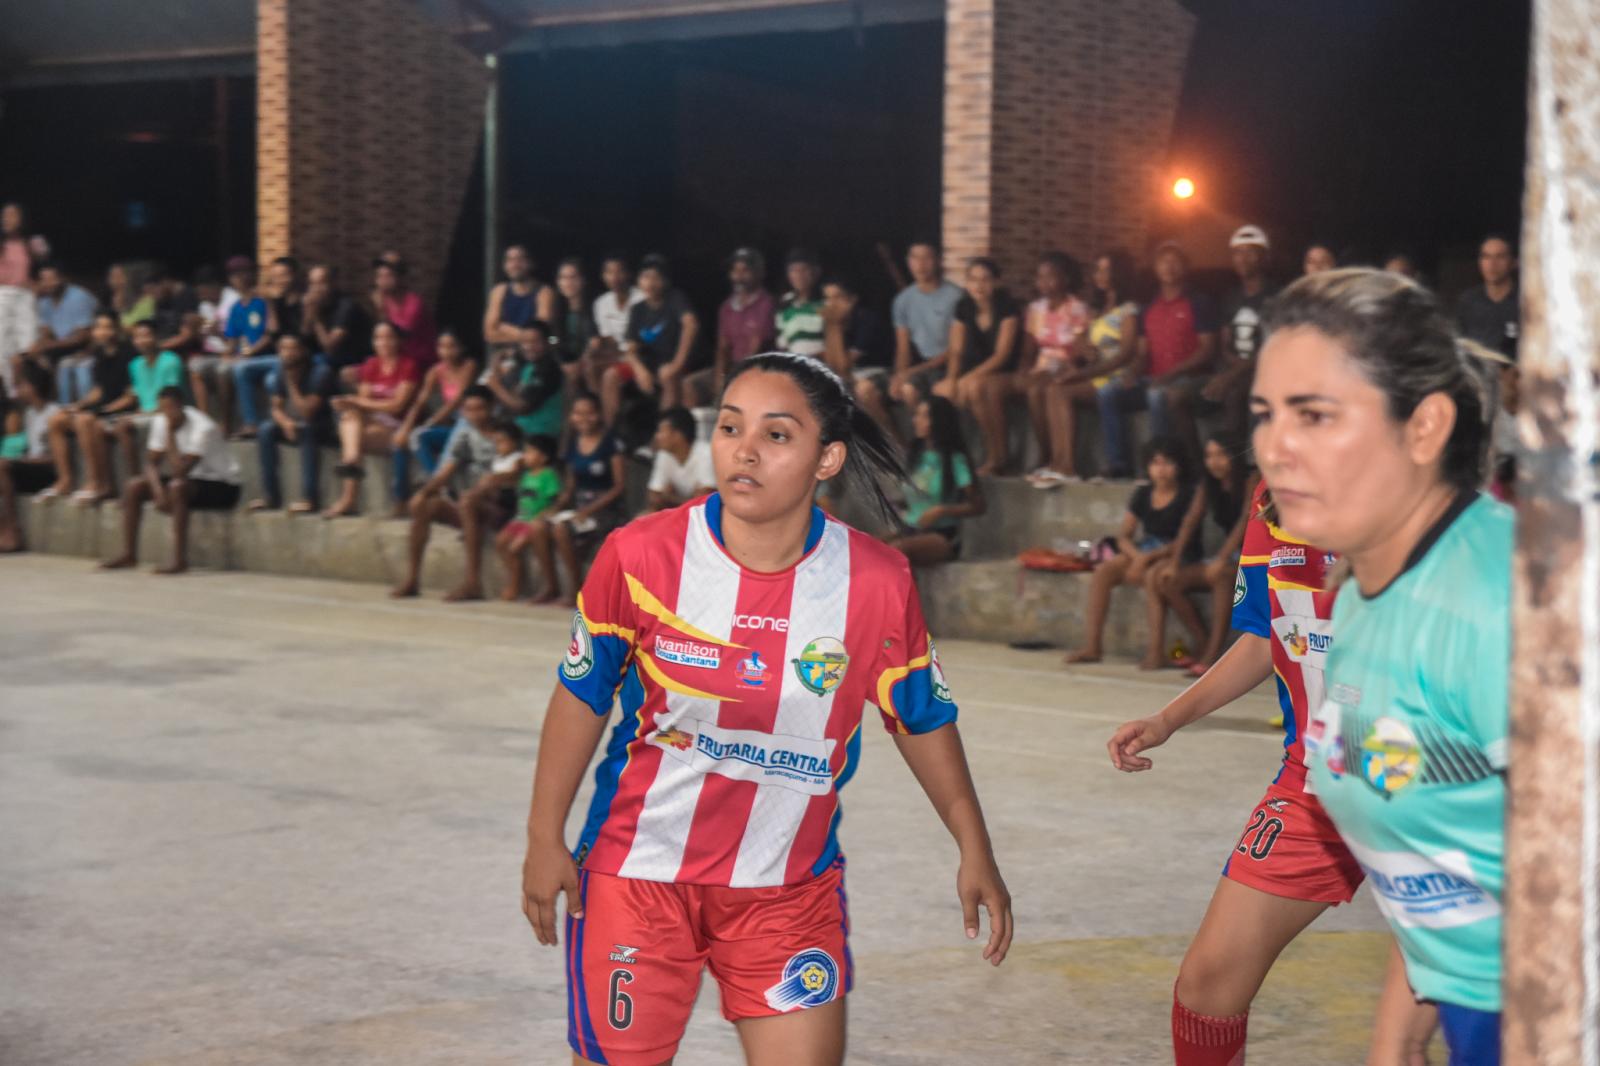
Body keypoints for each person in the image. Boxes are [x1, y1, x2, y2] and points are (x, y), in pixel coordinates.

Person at [519, 352, 1012, 1066]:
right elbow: (580, 697)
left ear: (827, 458)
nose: (742, 450)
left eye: (776, 435)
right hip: (637, 879)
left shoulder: (876, 581)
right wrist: (544, 837)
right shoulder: (641, 556)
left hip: (787, 891)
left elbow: (920, 718)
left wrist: (975, 846)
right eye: (727, 427)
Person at [1254, 267, 1509, 1065]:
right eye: (1265, 414)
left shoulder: (1506, 603)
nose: (1273, 446)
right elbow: (1456, 854)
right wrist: (1395, 1043)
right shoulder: (1363, 596)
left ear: (1426, 427)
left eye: (1315, 415)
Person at [1105, 471, 1433, 1066]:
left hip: (1436, 786)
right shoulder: (1268, 495)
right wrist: (1169, 718)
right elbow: (1267, 634)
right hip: (1317, 778)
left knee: (1426, 1027)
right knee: (1207, 985)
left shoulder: (1432, 477)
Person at [1063, 437, 1198, 664]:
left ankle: (1155, 651)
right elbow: (1124, 535)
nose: (1161, 470)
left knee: (1152, 577)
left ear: (1179, 466)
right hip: (1145, 549)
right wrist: (1137, 557)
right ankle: (1093, 646)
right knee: (1104, 572)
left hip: (1176, 553)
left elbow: (1183, 540)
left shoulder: (1188, 495)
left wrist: (1146, 559)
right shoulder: (1143, 493)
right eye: (1155, 463)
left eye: (1167, 463)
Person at [1095, 244, 1219, 478]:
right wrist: (1132, 372)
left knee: (1156, 394)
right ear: (1155, 268)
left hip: (1189, 380)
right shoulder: (1148, 308)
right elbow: (1143, 353)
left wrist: (1171, 374)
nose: (1169, 267)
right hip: (1154, 378)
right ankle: (1119, 465)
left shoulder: (1199, 302)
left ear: (1185, 268)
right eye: (1163, 262)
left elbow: (1207, 349)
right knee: (1108, 393)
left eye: (1175, 262)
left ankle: (1161, 463)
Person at [99, 386, 242, 575]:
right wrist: (158, 493)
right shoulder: (161, 420)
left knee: (177, 487)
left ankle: (179, 560)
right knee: (134, 486)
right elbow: (151, 464)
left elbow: (180, 470)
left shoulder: (203, 428)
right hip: (191, 480)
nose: (167, 414)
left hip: (223, 485)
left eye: (171, 409)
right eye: (163, 409)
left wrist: (170, 434)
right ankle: (129, 554)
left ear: (181, 407)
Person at [1142, 432, 1251, 673]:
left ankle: (1213, 655)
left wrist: (1222, 557)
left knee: (1221, 574)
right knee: (1168, 581)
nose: (1215, 462)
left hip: (1256, 556)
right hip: (1231, 556)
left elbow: (1247, 520)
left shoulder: (1251, 479)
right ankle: (1201, 639)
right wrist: (1174, 560)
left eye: (1222, 455)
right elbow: (1190, 521)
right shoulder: (1208, 484)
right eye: (1210, 456)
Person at [389, 386, 500, 599]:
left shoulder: (505, 433)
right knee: (425, 505)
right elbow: (446, 472)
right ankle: (412, 579)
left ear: (492, 408)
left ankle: (473, 583)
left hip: (497, 507)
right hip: (469, 504)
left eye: (480, 409)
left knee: (468, 501)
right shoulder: (466, 434)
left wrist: (481, 490)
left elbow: (509, 474)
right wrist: (424, 492)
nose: (475, 415)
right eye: (469, 409)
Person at [323, 322, 420, 519]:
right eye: (378, 338)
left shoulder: (408, 366)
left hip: (398, 427)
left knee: (351, 423)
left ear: (397, 340)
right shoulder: (371, 365)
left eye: (388, 337)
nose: (383, 342)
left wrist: (356, 401)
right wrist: (353, 403)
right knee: (351, 416)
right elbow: (363, 401)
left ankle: (349, 496)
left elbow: (398, 406)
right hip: (372, 424)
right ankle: (351, 463)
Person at [538, 392, 625, 606]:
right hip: (579, 508)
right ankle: (551, 586)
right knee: (537, 526)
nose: (584, 418)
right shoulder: (573, 443)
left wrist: (589, 510)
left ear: (598, 415)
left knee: (561, 529)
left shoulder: (611, 443)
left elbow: (619, 486)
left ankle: (577, 589)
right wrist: (556, 507)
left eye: (590, 413)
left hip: (604, 510)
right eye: (578, 413)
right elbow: (571, 485)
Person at [937, 258, 1021, 476]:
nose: (979, 286)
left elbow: (1002, 356)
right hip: (973, 373)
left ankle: (999, 456)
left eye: (985, 280)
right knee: (945, 390)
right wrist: (953, 379)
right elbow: (955, 351)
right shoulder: (963, 308)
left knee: (975, 387)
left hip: (1003, 372)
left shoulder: (1008, 309)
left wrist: (969, 378)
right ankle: (982, 456)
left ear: (997, 282)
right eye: (973, 280)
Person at [885, 394, 986, 566]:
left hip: (942, 535)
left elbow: (978, 506)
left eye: (924, 416)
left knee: (897, 551)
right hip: (911, 528)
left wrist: (941, 510)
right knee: (864, 545)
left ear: (938, 421)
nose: (916, 420)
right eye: (916, 415)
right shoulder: (915, 456)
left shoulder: (955, 459)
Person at [44, 311, 134, 502]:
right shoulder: (99, 354)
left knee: (84, 421)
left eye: (107, 327)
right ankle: (65, 480)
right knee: (57, 420)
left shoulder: (128, 353)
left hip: (121, 410)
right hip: (101, 407)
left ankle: (96, 482)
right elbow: (98, 391)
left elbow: (130, 396)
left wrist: (104, 410)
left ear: (116, 329)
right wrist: (77, 405)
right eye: (98, 327)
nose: (102, 332)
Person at [249, 332, 338, 513]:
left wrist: (292, 384)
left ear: (303, 351)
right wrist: (286, 423)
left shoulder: (320, 372)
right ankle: (270, 496)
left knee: (306, 429)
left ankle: (309, 498)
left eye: (292, 348)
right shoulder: (281, 371)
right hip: (293, 424)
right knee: (265, 429)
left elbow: (307, 412)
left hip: (322, 427)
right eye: (283, 349)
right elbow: (275, 408)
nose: (287, 353)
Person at [1205, 225, 1277, 439]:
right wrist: (1230, 370)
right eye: (1237, 252)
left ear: (1264, 257)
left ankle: (1242, 465)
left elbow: (1271, 347)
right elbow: (1225, 344)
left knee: (1236, 393)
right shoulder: (1230, 297)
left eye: (1250, 252)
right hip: (1233, 370)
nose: (1243, 258)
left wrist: (1232, 375)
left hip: (1263, 371)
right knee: (1176, 396)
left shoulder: (1276, 296)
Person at [106, 320, 187, 501]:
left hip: (165, 413)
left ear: (157, 338)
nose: (141, 341)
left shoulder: (171, 361)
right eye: (137, 337)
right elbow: (134, 395)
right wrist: (103, 410)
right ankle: (110, 486)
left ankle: (136, 480)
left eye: (146, 336)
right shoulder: (134, 365)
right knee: (101, 426)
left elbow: (170, 399)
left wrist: (142, 414)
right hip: (145, 414)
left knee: (122, 427)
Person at [608, 255, 698, 417]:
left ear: (665, 281)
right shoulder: (637, 309)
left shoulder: (675, 299)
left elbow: (691, 325)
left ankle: (664, 432)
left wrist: (676, 364)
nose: (651, 283)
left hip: (674, 362)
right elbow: (631, 349)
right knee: (611, 376)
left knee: (667, 375)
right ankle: (612, 433)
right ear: (639, 281)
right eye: (646, 277)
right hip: (648, 364)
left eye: (656, 277)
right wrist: (640, 370)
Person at [685, 247, 775, 408]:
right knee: (691, 384)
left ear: (759, 273)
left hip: (760, 366)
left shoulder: (766, 303)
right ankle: (696, 432)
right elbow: (722, 348)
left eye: (745, 270)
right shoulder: (726, 307)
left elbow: (757, 348)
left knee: (738, 387)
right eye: (735, 270)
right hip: (731, 366)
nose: (739, 276)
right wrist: (720, 379)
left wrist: (733, 377)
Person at [886, 240, 963, 414]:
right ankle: (901, 440)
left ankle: (927, 437)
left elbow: (955, 349)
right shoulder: (902, 300)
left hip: (946, 366)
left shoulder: (956, 297)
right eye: (915, 258)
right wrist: (899, 375)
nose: (920, 265)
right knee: (878, 390)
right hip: (919, 364)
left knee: (914, 392)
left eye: (927, 258)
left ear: (938, 260)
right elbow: (903, 347)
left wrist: (911, 372)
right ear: (908, 261)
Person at [397, 328, 480, 483]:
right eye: (441, 347)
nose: (446, 352)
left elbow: (457, 400)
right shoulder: (436, 371)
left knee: (459, 425)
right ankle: (438, 482)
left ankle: (437, 482)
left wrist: (432, 421)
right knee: (416, 437)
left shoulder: (470, 366)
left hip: (470, 424)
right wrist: (406, 427)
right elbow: (420, 401)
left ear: (462, 348)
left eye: (451, 347)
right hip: (453, 426)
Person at [233, 256, 303, 437]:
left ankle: (277, 423)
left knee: (271, 380)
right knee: (241, 370)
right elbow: (274, 333)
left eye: (283, 275)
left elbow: (300, 336)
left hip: (298, 357)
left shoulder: (302, 302)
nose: (279, 281)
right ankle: (251, 423)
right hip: (276, 358)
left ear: (294, 276)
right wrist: (270, 304)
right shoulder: (275, 302)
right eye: (275, 277)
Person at [494, 433, 563, 603]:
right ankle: (515, 577)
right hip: (519, 519)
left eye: (530, 452)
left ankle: (515, 585)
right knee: (500, 541)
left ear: (544, 457)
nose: (525, 456)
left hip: (534, 520)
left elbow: (554, 501)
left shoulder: (548, 475)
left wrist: (544, 515)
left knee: (514, 548)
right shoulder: (525, 475)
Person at [0, 361, 60, 551]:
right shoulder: (30, 414)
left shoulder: (53, 413)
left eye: (22, 385)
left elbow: (56, 458)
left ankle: (13, 531)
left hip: (47, 471)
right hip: (30, 466)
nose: (18, 390)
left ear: (33, 387)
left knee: (1, 466)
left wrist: (24, 461)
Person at [817, 275, 892, 412]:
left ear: (852, 299)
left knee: (863, 389)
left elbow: (845, 366)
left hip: (878, 371)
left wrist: (835, 326)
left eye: (837, 297)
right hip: (852, 375)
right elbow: (833, 365)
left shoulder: (866, 319)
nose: (832, 304)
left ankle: (887, 433)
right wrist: (832, 326)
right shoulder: (831, 321)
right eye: (828, 298)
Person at [24, 263, 96, 403]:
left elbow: (82, 337)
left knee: (51, 358)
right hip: (60, 346)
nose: (48, 284)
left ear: (63, 278)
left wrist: (48, 345)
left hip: (84, 346)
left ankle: (64, 405)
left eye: (52, 279)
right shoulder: (44, 303)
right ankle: (44, 408)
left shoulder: (79, 296)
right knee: (31, 359)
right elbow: (46, 331)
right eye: (44, 280)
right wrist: (39, 346)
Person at [487, 322, 565, 441]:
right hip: (523, 431)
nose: (528, 346)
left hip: (541, 436)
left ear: (547, 342)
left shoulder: (548, 369)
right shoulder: (529, 365)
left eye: (535, 342)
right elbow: (511, 394)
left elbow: (522, 407)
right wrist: (496, 364)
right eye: (524, 342)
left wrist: (496, 386)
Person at [219, 258, 271, 436]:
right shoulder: (235, 308)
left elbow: (269, 336)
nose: (239, 278)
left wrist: (249, 353)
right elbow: (232, 342)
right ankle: (225, 423)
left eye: (243, 273)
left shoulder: (263, 301)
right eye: (234, 275)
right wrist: (227, 354)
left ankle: (251, 422)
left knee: (240, 369)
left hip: (265, 354)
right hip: (246, 356)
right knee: (222, 369)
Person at [0, 204, 48, 395]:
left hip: (25, 296)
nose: (8, 219)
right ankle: (11, 393)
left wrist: (37, 286)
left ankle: (33, 390)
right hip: (2, 294)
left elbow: (47, 269)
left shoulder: (33, 244)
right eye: (5, 216)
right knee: (3, 345)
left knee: (28, 344)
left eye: (13, 215)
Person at [584, 252, 644, 395]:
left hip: (639, 353)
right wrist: (595, 346)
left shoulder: (641, 298)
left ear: (628, 274)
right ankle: (595, 405)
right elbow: (609, 338)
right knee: (588, 362)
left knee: (610, 374)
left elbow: (645, 337)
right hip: (616, 353)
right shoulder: (601, 303)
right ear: (603, 276)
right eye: (609, 272)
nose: (615, 277)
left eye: (619, 271)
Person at [483, 245, 558, 354]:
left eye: (520, 259)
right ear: (505, 266)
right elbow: (489, 335)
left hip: (539, 355)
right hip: (506, 356)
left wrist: (503, 327)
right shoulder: (499, 292)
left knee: (554, 340)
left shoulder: (544, 292)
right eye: (510, 260)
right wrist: (525, 336)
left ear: (530, 263)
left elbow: (541, 335)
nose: (515, 265)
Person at [1455, 234, 1519, 360]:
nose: (1492, 264)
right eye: (1486, 257)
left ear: (1514, 262)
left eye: (1500, 257)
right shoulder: (1468, 301)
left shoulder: (1524, 302)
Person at [301, 263, 373, 376]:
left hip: (352, 357)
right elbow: (304, 337)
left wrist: (315, 317)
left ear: (333, 284)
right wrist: (308, 313)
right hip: (325, 357)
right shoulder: (317, 305)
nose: (316, 289)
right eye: (313, 284)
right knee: (290, 362)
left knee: (319, 367)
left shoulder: (346, 306)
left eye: (321, 283)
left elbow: (331, 347)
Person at [372, 257, 437, 370]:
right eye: (379, 276)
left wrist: (381, 309)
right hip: (396, 359)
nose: (383, 281)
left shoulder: (414, 303)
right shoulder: (385, 301)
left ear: (401, 278)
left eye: (388, 276)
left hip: (419, 361)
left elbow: (399, 337)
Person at [645, 406, 715, 512]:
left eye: (661, 431)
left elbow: (703, 503)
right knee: (645, 516)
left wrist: (669, 497)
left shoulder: (706, 453)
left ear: (678, 435)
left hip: (706, 517)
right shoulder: (664, 454)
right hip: (677, 513)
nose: (657, 436)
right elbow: (653, 497)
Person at [775, 247, 825, 360]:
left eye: (804, 269)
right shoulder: (784, 303)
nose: (799, 275)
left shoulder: (826, 301)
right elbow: (782, 346)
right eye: (793, 270)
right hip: (795, 367)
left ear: (816, 271)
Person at [552, 257, 596, 381]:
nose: (568, 283)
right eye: (564, 278)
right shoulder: (556, 311)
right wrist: (561, 361)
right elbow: (552, 339)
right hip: (564, 364)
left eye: (573, 277)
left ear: (583, 280)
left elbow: (594, 341)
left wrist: (581, 362)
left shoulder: (595, 308)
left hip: (588, 364)